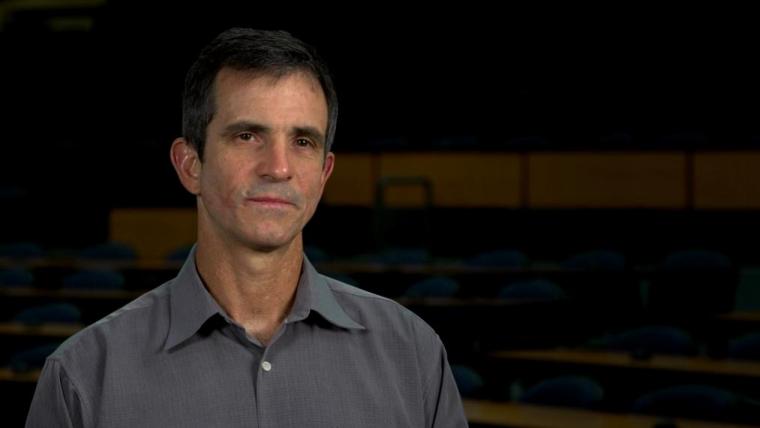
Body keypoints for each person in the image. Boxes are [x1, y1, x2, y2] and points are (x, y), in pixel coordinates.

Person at [26, 28, 468, 427]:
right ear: (189, 164)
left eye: (302, 142)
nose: (278, 167)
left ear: (324, 174)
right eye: (247, 136)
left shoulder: (413, 354)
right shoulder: (82, 378)